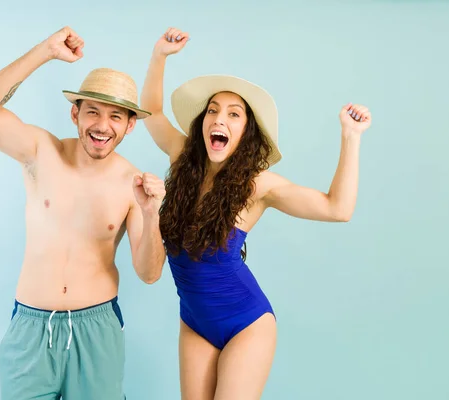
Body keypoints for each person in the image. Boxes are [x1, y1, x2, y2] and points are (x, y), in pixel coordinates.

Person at [140, 27, 372, 400]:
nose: (220, 119)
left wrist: (351, 137)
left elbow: (338, 208)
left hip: (246, 322)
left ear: (246, 131)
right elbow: (150, 110)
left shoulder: (257, 186)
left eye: (234, 114)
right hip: (194, 322)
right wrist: (159, 55)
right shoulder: (182, 157)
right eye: (213, 110)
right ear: (202, 122)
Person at [0, 26, 166, 400]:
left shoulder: (133, 183)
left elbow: (150, 273)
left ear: (129, 125)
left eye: (115, 117)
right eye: (92, 111)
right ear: (75, 114)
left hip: (97, 329)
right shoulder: (41, 152)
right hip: (31, 328)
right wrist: (45, 51)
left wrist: (152, 213)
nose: (102, 126)